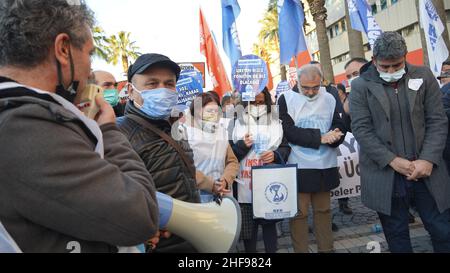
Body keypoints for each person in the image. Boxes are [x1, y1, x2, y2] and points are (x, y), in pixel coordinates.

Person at [0, 0, 159, 253]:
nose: (90, 71)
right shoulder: (25, 127)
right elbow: (142, 214)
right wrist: (108, 132)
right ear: (63, 49)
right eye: (89, 53)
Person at [349, 31, 450, 252]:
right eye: (385, 67)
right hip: (388, 175)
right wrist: (392, 161)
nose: (391, 71)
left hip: (427, 171)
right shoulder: (360, 86)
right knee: (397, 238)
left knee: (443, 231)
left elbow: (437, 120)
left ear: (405, 56)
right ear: (374, 60)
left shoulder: (423, 76)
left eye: (397, 65)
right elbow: (362, 129)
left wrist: (428, 159)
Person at [117, 53, 202, 252]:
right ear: (130, 90)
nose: (162, 90)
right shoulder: (117, 133)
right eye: (152, 84)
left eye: (169, 84)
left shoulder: (174, 127)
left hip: (193, 239)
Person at [278, 64, 346, 253]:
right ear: (297, 82)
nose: (310, 92)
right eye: (305, 87)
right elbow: (288, 131)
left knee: (324, 211)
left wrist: (335, 135)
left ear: (321, 81)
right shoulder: (286, 98)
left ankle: (327, 249)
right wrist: (319, 137)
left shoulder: (330, 97)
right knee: (299, 213)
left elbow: (340, 122)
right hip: (298, 165)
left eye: (315, 87)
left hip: (326, 164)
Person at [231, 87, 291, 253]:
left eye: (261, 102)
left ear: (266, 101)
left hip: (268, 181)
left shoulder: (276, 121)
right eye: (253, 102)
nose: (257, 106)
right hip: (244, 183)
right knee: (249, 229)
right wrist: (242, 146)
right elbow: (228, 153)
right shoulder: (235, 121)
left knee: (269, 225)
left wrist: (275, 155)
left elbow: (285, 147)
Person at [310, 61, 352, 217]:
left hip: (330, 144)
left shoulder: (331, 91)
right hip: (310, 146)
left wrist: (336, 132)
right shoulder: (301, 93)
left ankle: (341, 205)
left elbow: (339, 116)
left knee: (329, 182)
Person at [182, 92, 239, 203]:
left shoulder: (221, 132)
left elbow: (232, 162)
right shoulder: (184, 133)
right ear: (198, 111)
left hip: (221, 197)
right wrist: (211, 185)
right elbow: (184, 168)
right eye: (209, 111)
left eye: (216, 111)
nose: (214, 114)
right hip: (195, 199)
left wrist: (225, 181)